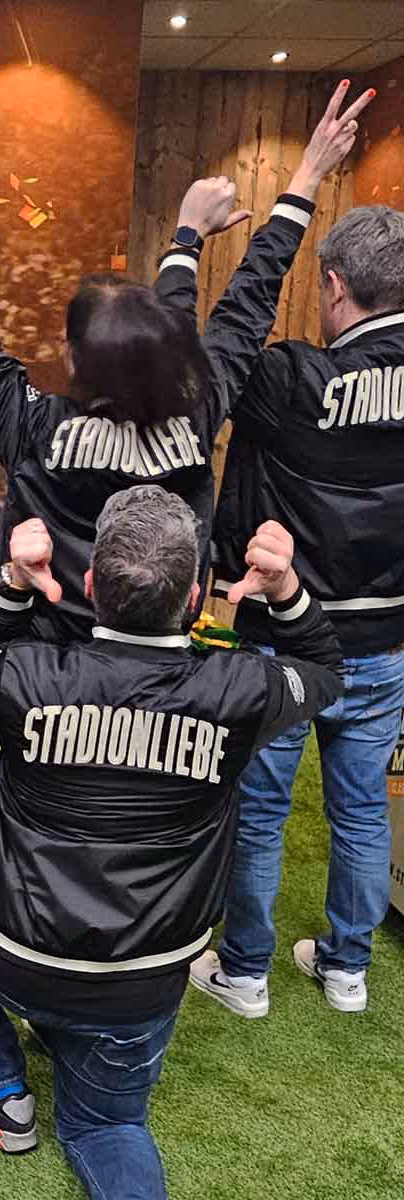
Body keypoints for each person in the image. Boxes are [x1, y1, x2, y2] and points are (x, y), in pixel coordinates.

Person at [0, 80, 374, 642]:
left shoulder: (34, 426)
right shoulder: (196, 411)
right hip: (162, 663)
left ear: (73, 358)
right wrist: (298, 182)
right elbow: (247, 306)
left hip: (47, 669)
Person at [0, 486, 344, 1198]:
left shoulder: (30, 675)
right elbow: (323, 672)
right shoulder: (241, 688)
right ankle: (24, 1065)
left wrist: (11, 582)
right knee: (107, 1130)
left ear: (91, 586)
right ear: (194, 597)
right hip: (140, 985)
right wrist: (286, 593)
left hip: (12, 957)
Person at [192, 200, 404, 1019]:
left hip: (284, 636)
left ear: (336, 285)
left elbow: (224, 349)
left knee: (262, 807)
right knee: (359, 807)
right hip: (386, 637)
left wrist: (287, 204)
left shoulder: (289, 378)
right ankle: (347, 969)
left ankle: (246, 972)